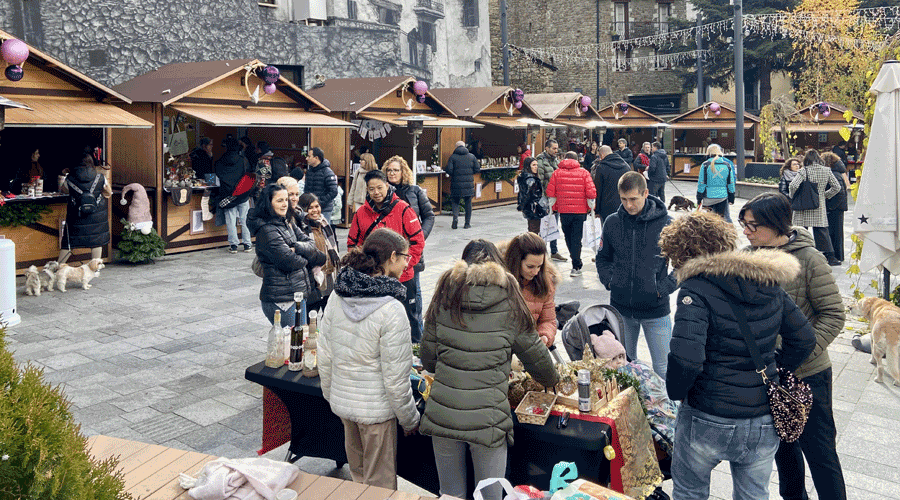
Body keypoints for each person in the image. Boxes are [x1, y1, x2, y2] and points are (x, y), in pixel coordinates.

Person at [659, 211, 816, 500]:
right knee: (754, 495)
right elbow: (805, 338)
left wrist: (677, 392)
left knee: (690, 493)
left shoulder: (695, 289)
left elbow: (686, 358)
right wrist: (774, 368)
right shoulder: (766, 281)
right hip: (761, 415)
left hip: (708, 413)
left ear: (681, 253)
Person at [420, 239, 559, 500]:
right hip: (488, 421)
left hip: (443, 414)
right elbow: (536, 356)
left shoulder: (443, 295)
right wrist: (553, 379)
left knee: (450, 495)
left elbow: (428, 360)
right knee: (491, 495)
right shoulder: (510, 299)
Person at [739, 193, 847, 500]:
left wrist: (797, 355)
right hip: (770, 376)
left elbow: (834, 315)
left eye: (753, 225)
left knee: (821, 453)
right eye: (743, 224)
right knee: (784, 453)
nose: (746, 232)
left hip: (809, 374)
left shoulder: (810, 259)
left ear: (776, 226)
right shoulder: (748, 258)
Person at [319, 228, 420, 490]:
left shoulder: (338, 294)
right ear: (393, 257)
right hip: (376, 411)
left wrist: (332, 395)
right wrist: (410, 419)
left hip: (346, 404)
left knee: (358, 477)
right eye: (406, 257)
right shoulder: (392, 308)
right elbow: (397, 379)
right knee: (380, 485)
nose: (409, 262)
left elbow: (325, 354)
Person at [596, 171, 676, 378]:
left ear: (646, 193)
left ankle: (669, 409)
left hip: (656, 310)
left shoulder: (667, 223)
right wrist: (611, 281)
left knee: (664, 368)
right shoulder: (612, 222)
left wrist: (663, 288)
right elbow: (603, 258)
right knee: (622, 369)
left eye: (633, 199)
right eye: (624, 199)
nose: (629, 205)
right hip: (621, 310)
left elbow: (686, 263)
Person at [348, 169, 425, 343]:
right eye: (371, 189)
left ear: (387, 185)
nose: (376, 192)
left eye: (380, 188)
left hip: (403, 277)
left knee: (408, 318)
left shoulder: (403, 209)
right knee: (379, 321)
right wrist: (366, 267)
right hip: (374, 279)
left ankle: (414, 352)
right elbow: (353, 243)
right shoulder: (361, 213)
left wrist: (404, 265)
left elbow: (418, 241)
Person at [253, 183, 325, 328]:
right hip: (281, 298)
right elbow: (290, 261)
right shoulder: (267, 230)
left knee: (299, 342)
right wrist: (308, 257)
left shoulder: (287, 222)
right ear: (268, 203)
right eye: (280, 200)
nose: (285, 204)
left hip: (297, 294)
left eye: (286, 200)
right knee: (291, 344)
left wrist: (296, 247)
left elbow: (311, 244)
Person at [383, 155, 435, 340]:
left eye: (396, 170)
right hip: (389, 251)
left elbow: (429, 215)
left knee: (415, 291)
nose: (392, 173)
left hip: (412, 248)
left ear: (403, 171)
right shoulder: (383, 193)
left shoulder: (415, 191)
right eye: (389, 170)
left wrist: (422, 235)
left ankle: (417, 334)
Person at [504, 232, 560, 347]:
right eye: (530, 267)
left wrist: (545, 336)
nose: (535, 272)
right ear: (516, 261)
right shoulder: (499, 281)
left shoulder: (546, 281)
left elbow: (548, 320)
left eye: (539, 266)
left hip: (530, 347)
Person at [546, 152, 596, 277]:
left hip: (564, 210)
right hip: (580, 212)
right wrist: (591, 207)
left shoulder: (557, 173)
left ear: (564, 158)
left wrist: (554, 207)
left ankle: (574, 258)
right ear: (577, 160)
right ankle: (576, 264)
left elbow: (550, 192)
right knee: (576, 237)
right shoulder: (584, 173)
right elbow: (591, 193)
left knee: (567, 236)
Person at [789, 149, 841, 265]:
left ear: (807, 159)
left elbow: (793, 185)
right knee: (822, 231)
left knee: (800, 230)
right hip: (819, 205)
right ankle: (830, 257)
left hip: (803, 205)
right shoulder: (826, 170)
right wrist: (824, 196)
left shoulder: (804, 170)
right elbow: (837, 187)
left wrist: (793, 196)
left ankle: (797, 254)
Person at [58, 151, 112, 264]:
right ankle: (95, 269)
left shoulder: (70, 178)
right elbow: (108, 193)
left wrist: (64, 175)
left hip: (76, 217)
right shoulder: (100, 177)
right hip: (97, 216)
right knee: (96, 243)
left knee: (69, 243)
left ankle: (59, 266)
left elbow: (63, 190)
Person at [297, 192, 341, 313]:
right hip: (314, 277)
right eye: (310, 208)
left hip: (329, 275)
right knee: (311, 314)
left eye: (317, 206)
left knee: (329, 314)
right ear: (303, 209)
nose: (315, 210)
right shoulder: (301, 228)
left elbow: (334, 245)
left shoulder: (324, 223)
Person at [214, 137, 253, 253]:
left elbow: (217, 173)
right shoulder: (243, 160)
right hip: (242, 194)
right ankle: (247, 244)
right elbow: (249, 175)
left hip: (227, 194)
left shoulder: (220, 161)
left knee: (230, 220)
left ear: (227, 147)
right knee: (245, 219)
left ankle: (234, 245)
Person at [536, 139, 565, 261]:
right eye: (554, 148)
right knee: (545, 224)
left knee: (554, 224)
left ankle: (554, 251)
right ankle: (542, 251)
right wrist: (543, 199)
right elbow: (540, 181)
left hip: (556, 198)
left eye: (557, 148)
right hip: (546, 198)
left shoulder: (556, 161)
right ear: (547, 148)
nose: (556, 150)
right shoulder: (540, 161)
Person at [822, 151, 851, 264]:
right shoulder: (837, 172)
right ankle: (838, 255)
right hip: (838, 208)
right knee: (837, 233)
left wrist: (830, 207)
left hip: (834, 208)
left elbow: (838, 191)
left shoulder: (833, 173)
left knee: (834, 232)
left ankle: (835, 256)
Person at [445, 140, 479, 229]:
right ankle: (467, 223)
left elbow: (449, 170)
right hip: (468, 185)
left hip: (456, 184)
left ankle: (455, 219)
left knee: (455, 202)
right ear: (465, 147)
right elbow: (477, 169)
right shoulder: (472, 156)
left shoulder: (452, 157)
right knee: (468, 203)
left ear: (456, 147)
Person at [696, 144, 736, 222]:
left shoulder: (705, 165)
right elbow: (730, 183)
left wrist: (699, 197)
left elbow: (701, 183)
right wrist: (732, 197)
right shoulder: (727, 165)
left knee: (707, 221)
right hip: (722, 197)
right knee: (722, 219)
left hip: (708, 197)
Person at [592, 145, 632, 223]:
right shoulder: (626, 166)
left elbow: (598, 190)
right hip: (624, 206)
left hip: (606, 208)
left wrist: (597, 210)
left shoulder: (601, 168)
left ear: (602, 155)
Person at [304, 147, 339, 224]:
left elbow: (333, 191)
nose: (307, 158)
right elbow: (306, 189)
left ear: (316, 158)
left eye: (309, 156)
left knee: (323, 230)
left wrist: (320, 202)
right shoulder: (309, 172)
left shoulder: (327, 172)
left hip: (324, 209)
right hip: (310, 209)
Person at [517, 157, 546, 234]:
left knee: (532, 228)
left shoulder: (523, 177)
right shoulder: (531, 179)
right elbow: (529, 194)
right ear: (528, 166)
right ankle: (534, 245)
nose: (536, 167)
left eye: (537, 165)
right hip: (534, 208)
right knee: (535, 230)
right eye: (533, 165)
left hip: (529, 207)